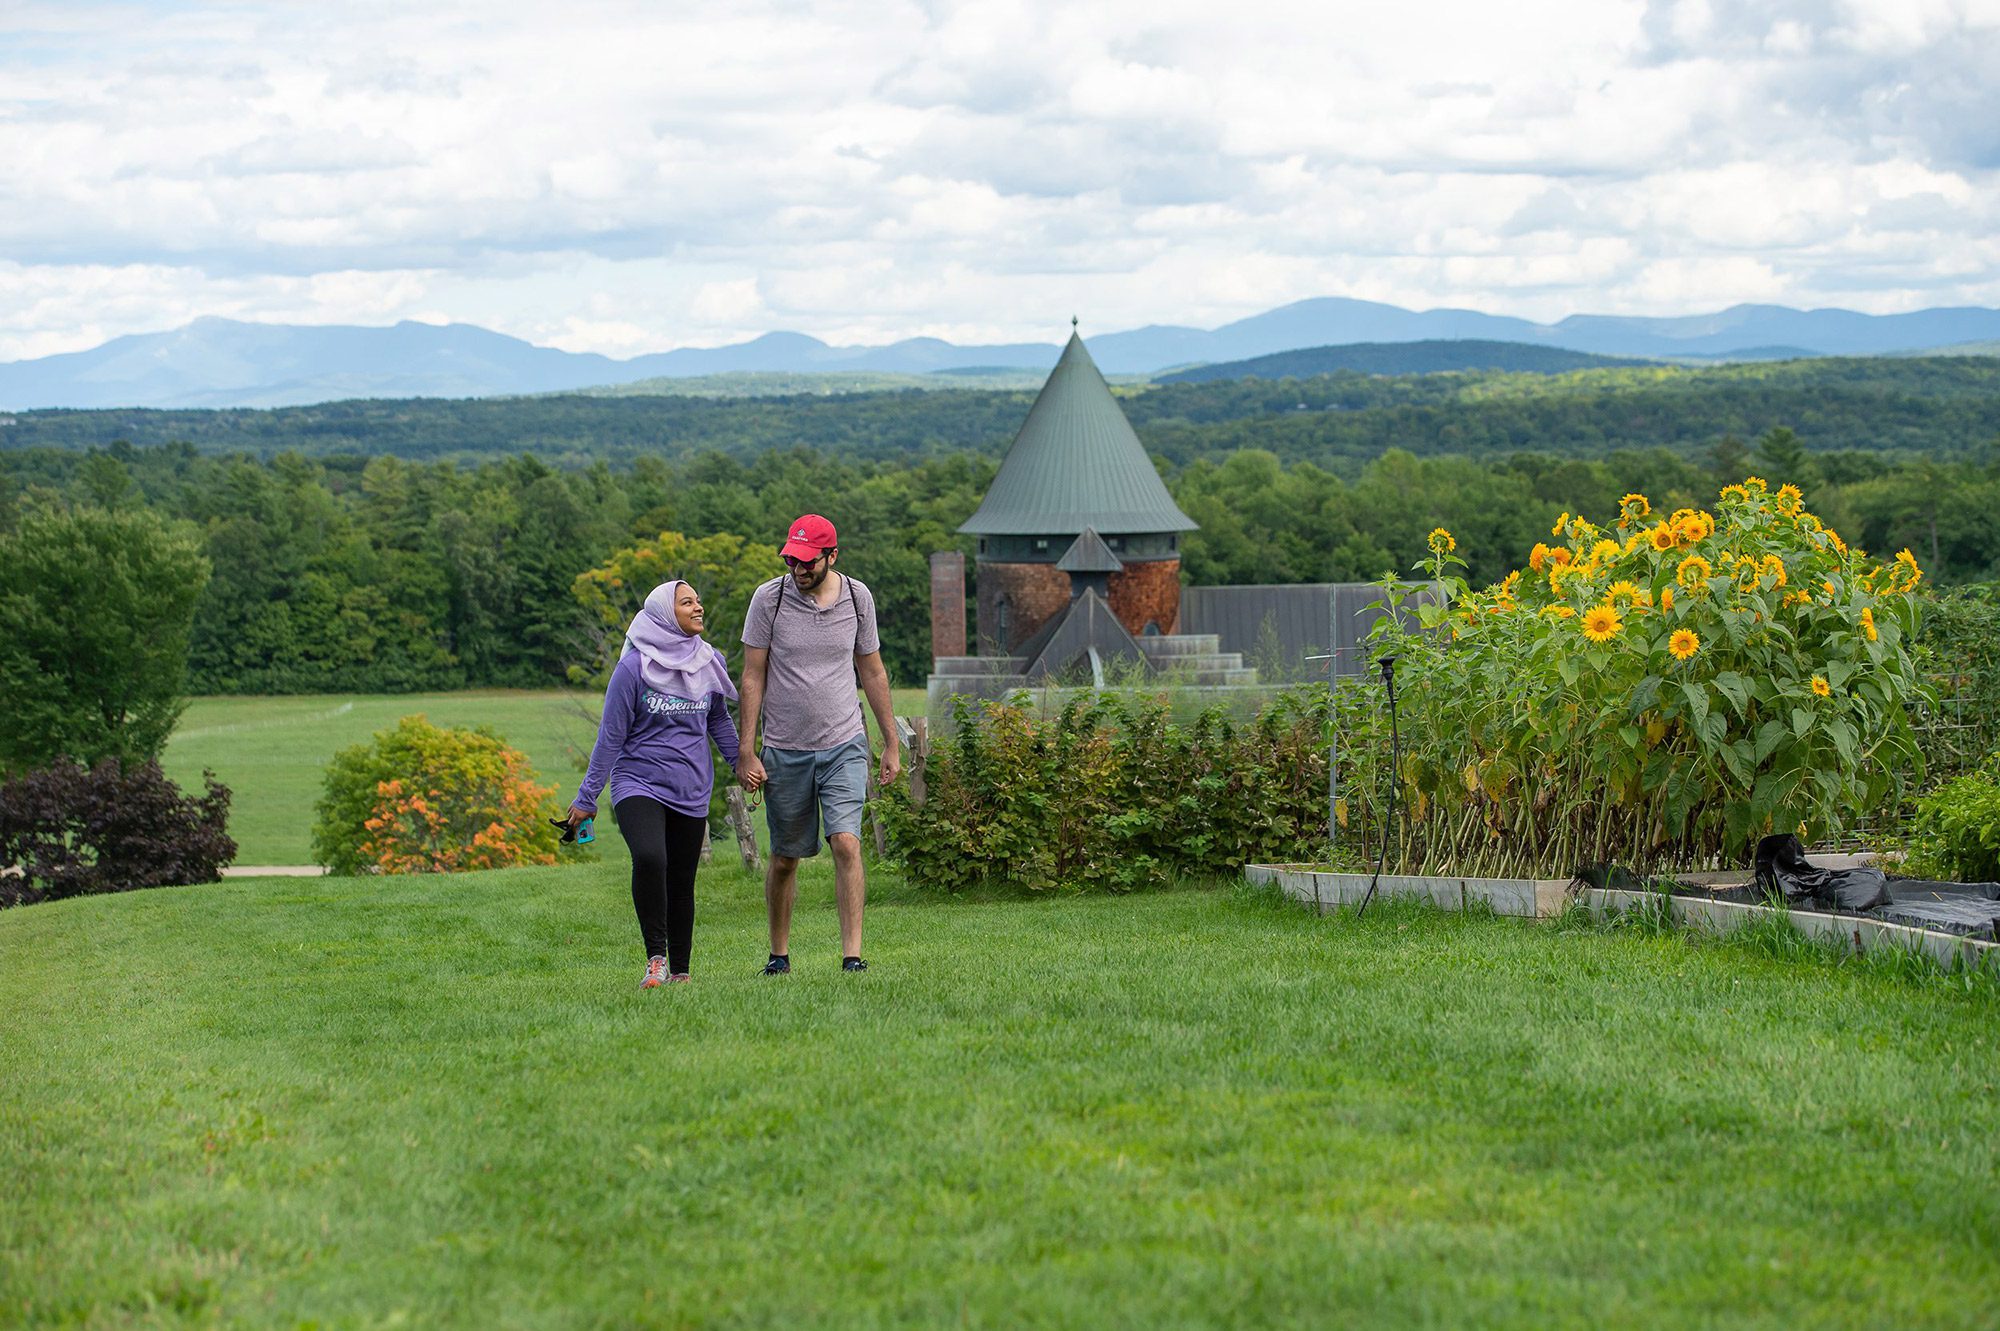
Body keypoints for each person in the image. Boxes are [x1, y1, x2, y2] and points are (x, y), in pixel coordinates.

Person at [567, 580, 755, 989]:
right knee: (651, 859)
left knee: (682, 878)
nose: (698, 607)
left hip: (691, 786)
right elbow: (610, 737)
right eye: (687, 602)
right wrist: (588, 798)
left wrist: (742, 762)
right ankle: (656, 960)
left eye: (698, 599)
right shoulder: (633, 668)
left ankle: (682, 970)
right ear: (665, 614)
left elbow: (718, 720)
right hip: (638, 782)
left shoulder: (709, 660)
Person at [736, 514, 900, 975]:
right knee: (786, 857)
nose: (798, 568)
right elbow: (753, 675)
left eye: (808, 561)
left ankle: (852, 956)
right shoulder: (769, 599)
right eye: (792, 559)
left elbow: (872, 671)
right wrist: (746, 751)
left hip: (844, 742)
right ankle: (779, 955)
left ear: (832, 556)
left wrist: (890, 742)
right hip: (785, 748)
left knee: (846, 843)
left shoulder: (856, 597)